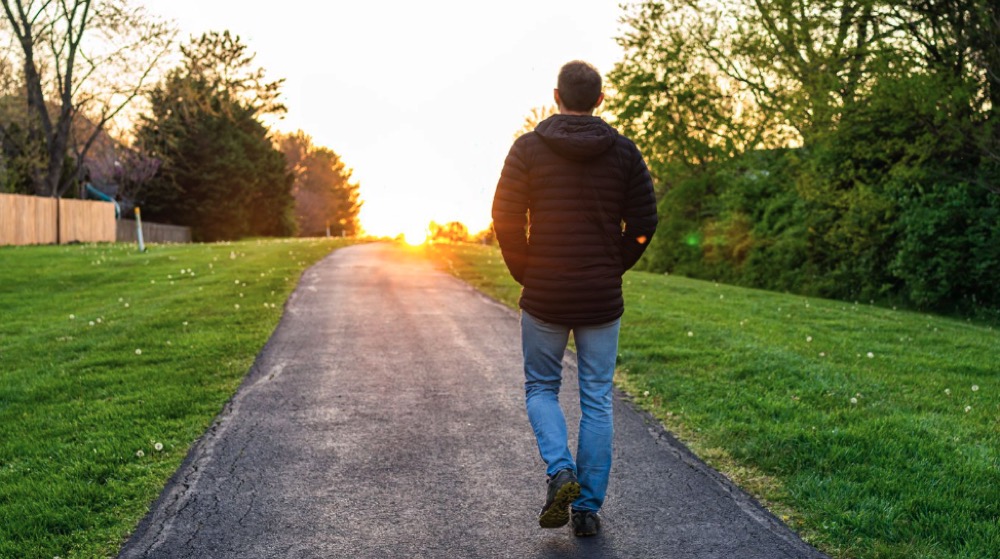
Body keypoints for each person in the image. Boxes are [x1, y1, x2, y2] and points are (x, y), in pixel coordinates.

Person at [492, 60, 658, 537]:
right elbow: (644, 225)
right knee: (597, 399)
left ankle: (559, 470)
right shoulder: (625, 152)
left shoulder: (527, 148)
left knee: (541, 387)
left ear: (556, 96)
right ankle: (585, 508)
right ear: (600, 100)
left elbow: (504, 217)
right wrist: (613, 265)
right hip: (600, 298)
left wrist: (526, 269)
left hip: (545, 292)